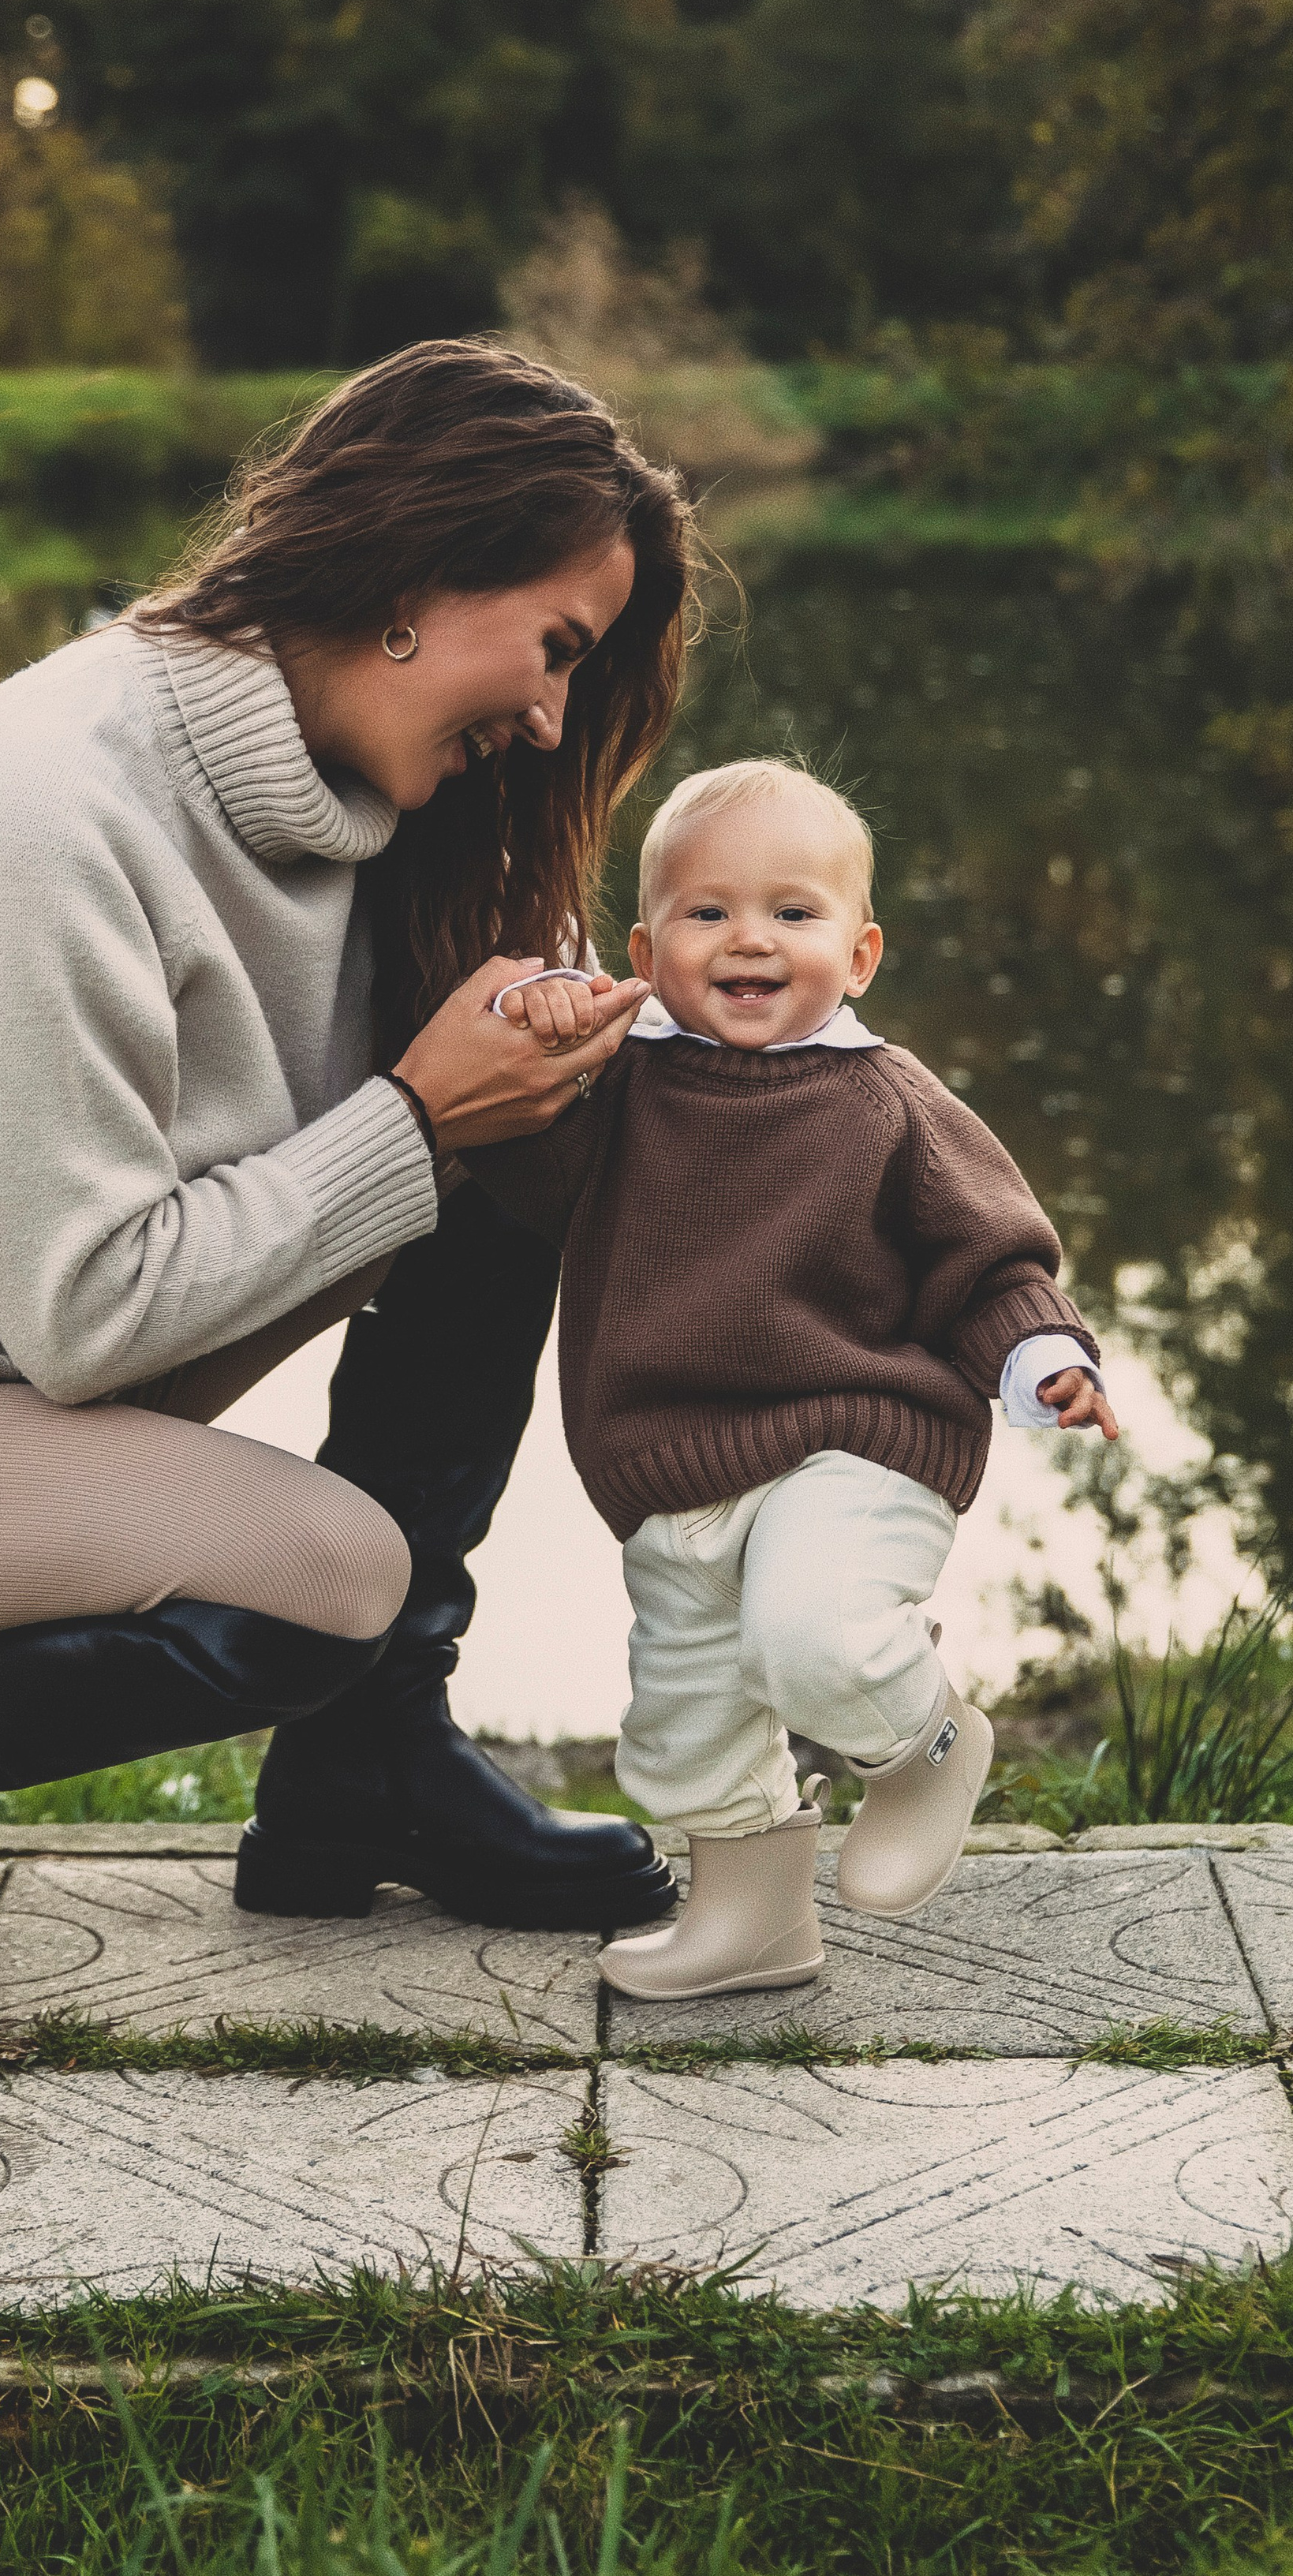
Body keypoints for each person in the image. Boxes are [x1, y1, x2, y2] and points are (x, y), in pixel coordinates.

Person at [0, 341, 693, 2043]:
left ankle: (365, 1761)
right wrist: (409, 1109)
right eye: (550, 650)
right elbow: (88, 1312)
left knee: (505, 1165)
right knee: (323, 1569)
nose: (548, 717)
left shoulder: (364, 809)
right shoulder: (68, 794)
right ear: (413, 576)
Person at [469, 757, 1119, 2004]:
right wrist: (536, 1038)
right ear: (648, 949)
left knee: (813, 1631)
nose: (750, 939)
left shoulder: (886, 1098)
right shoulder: (624, 1088)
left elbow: (987, 1258)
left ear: (861, 952)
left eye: (794, 912)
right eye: (709, 914)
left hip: (859, 1437)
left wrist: (1047, 1358)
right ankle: (755, 1923)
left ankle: (927, 1743)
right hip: (671, 1464)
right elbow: (526, 1173)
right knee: (688, 1719)